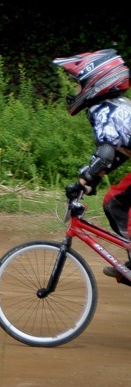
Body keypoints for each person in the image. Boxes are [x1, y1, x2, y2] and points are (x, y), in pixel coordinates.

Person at [54, 49, 131, 279]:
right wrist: (92, 178)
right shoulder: (118, 106)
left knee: (117, 203)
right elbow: (119, 152)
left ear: (96, 83)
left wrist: (83, 180)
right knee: (115, 201)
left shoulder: (106, 109)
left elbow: (106, 153)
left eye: (78, 85)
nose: (76, 91)